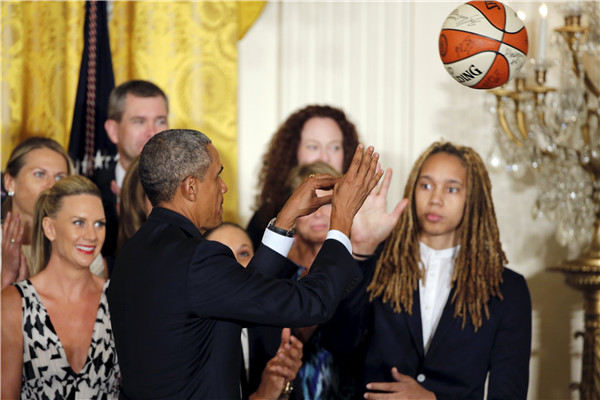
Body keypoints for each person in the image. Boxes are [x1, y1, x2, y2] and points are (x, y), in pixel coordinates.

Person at [107, 128, 382, 399]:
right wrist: (343, 217)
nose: (224, 186)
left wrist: (286, 219)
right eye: (217, 176)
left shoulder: (134, 253)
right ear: (191, 187)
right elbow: (312, 303)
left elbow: (242, 298)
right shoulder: (197, 259)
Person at [324, 141, 532, 399]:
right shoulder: (376, 262)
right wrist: (362, 248)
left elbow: (509, 394)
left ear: (474, 198)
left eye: (452, 189)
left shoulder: (508, 289)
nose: (435, 199)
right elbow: (337, 343)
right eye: (426, 185)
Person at [1, 175, 121, 399]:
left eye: (99, 224)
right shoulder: (14, 304)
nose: (92, 235)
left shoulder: (118, 298)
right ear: (50, 228)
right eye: (79, 222)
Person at [205, 222, 304, 399]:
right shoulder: (191, 336)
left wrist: (283, 382)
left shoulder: (273, 325)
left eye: (243, 254)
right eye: (221, 255)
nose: (236, 265)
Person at [247, 105, 360, 249]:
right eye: (313, 147)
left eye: (334, 147)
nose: (324, 157)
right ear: (293, 152)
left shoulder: (365, 211)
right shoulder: (265, 218)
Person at [1, 137, 104, 287]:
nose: (51, 185)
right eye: (39, 174)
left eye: (59, 177)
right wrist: (6, 278)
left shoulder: (84, 243)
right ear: (10, 182)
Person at [94, 79, 169, 257]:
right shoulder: (91, 188)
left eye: (160, 121)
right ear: (113, 130)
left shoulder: (186, 188)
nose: (152, 132)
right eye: (139, 121)